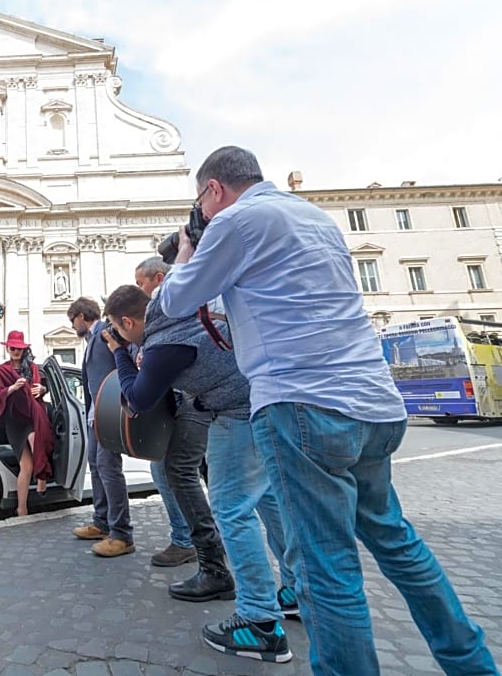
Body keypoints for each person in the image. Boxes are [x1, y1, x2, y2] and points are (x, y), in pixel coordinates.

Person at [157, 145, 498, 676]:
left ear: (214, 190)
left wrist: (184, 250)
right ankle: (473, 665)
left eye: (200, 202)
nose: (200, 213)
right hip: (375, 404)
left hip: (304, 406)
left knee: (326, 569)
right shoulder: (312, 216)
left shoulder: (237, 221)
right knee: (397, 543)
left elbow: (175, 300)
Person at [104, 284, 296, 663]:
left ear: (127, 322)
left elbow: (137, 399)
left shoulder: (162, 341)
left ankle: (261, 623)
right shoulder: (180, 313)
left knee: (231, 509)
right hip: (261, 402)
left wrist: (120, 353)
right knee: (267, 500)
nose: (119, 334)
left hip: (236, 414)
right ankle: (294, 590)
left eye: (119, 328)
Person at [133, 256, 196, 567]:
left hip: (192, 406)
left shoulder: (171, 308)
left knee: (177, 474)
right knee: (177, 474)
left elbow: (141, 395)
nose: (138, 291)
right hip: (190, 406)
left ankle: (190, 540)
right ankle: (198, 539)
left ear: (158, 279)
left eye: (140, 283)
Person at [67, 297, 134, 558]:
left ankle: (121, 534)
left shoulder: (107, 330)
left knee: (108, 468)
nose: (73, 326)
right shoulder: (92, 339)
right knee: (95, 464)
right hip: (95, 414)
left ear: (82, 316)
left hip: (108, 412)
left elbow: (124, 357)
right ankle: (101, 522)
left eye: (73, 321)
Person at [0, 330, 55, 517]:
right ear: (8, 349)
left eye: (19, 349)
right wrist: (13, 388)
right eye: (13, 348)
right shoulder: (1, 370)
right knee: (25, 466)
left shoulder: (33, 367)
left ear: (24, 349)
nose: (16, 352)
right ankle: (22, 507)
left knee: (37, 440)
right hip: (15, 421)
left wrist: (42, 388)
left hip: (32, 415)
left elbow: (39, 390)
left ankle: (42, 476)